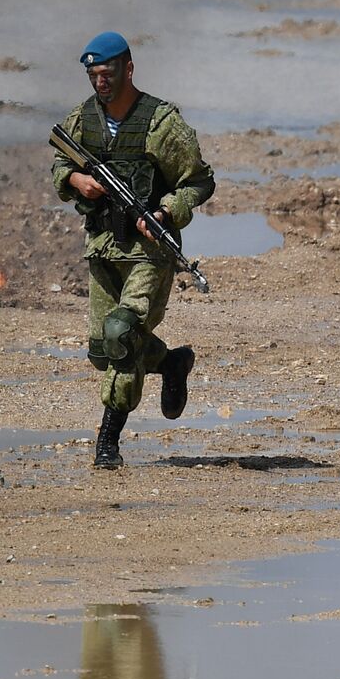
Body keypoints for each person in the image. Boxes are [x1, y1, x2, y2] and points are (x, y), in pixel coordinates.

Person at [52, 31, 216, 468]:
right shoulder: (83, 120)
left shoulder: (161, 123)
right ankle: (172, 363)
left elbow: (199, 182)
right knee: (100, 351)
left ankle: (107, 442)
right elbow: (59, 162)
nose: (100, 83)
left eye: (107, 74)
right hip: (103, 247)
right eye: (93, 76)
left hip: (149, 252)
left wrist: (164, 213)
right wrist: (75, 181)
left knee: (122, 335)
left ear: (129, 69)